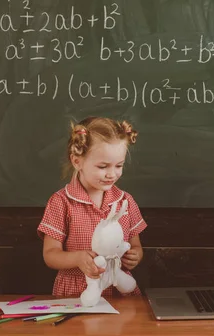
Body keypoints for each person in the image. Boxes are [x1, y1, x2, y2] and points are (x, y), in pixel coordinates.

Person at [37, 117, 147, 297]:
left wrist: (135, 255)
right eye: (103, 166)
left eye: (119, 166)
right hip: (76, 294)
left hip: (120, 290)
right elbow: (50, 254)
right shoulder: (61, 202)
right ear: (77, 161)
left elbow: (136, 246)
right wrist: (77, 258)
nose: (112, 174)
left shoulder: (125, 201)